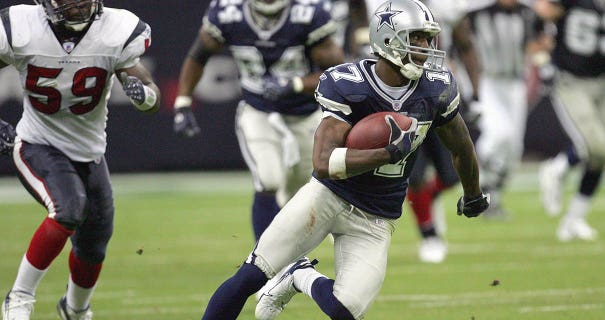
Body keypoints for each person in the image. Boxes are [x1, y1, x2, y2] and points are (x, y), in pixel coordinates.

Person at [200, 0, 490, 319]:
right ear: (388, 39)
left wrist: (473, 194)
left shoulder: (437, 88)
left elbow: (461, 146)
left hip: (376, 216)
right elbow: (324, 162)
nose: (425, 47)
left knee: (346, 311)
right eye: (416, 38)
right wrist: (385, 153)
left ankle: (301, 276)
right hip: (328, 196)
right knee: (251, 276)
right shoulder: (349, 83)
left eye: (427, 38)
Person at [0, 0, 160, 319]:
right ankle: (18, 297)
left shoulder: (115, 30)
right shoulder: (20, 27)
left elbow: (149, 89)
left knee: (94, 242)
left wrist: (147, 97)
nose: (79, 5)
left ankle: (74, 309)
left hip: (89, 153)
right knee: (68, 209)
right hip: (37, 143)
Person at [172, 0, 345, 241]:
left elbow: (337, 73)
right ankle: (263, 264)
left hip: (304, 114)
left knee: (307, 189)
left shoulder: (307, 12)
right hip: (258, 111)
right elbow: (199, 55)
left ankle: (288, 236)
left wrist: (294, 84)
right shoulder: (227, 12)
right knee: (268, 179)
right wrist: (183, 103)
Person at [535, 0, 605, 241]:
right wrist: (544, 58)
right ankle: (556, 168)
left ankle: (574, 219)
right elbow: (540, 15)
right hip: (572, 81)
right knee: (593, 145)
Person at [405, 0, 483, 264]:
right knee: (413, 176)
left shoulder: (448, 6)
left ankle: (424, 197)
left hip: (438, 94)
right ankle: (429, 235)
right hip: (398, 97)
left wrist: (476, 93)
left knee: (452, 175)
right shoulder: (385, 6)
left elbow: (466, 46)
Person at [467, 0, 549, 219]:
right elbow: (458, 39)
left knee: (513, 149)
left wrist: (541, 47)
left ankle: (493, 199)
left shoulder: (527, 13)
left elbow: (543, 39)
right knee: (499, 133)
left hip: (515, 83)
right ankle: (479, 180)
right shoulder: (479, 13)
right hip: (488, 81)